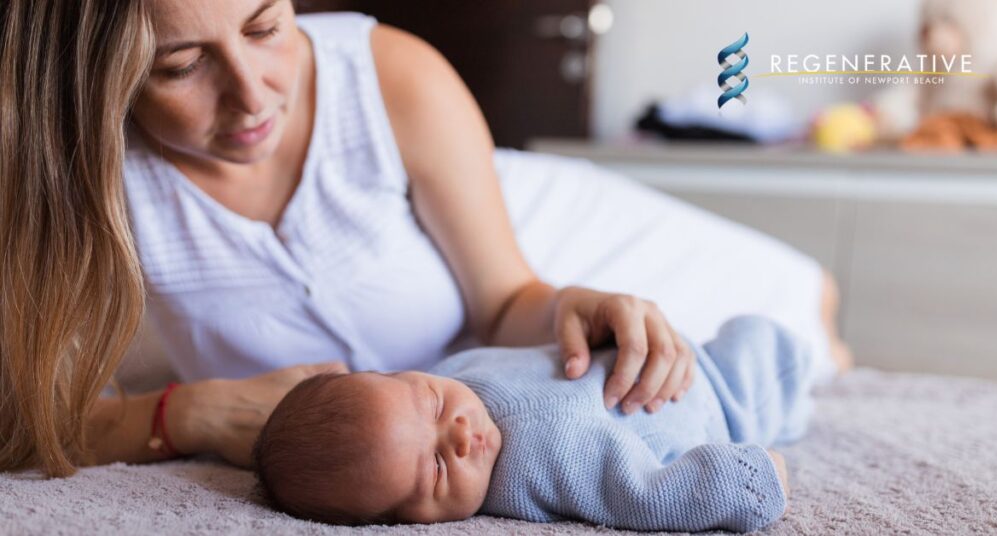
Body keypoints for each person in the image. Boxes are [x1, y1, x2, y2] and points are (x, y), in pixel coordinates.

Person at [0, 0, 850, 478]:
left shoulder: (392, 75)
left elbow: (504, 298)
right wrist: (189, 414)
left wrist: (571, 302)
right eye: (182, 67)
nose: (254, 97)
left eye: (265, 26)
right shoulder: (72, 178)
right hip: (434, 299)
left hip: (521, 217)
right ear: (98, 80)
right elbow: (27, 421)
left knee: (800, 313)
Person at [253, 315, 819, 532]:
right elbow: (647, 495)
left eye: (429, 404)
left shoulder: (452, 371)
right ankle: (812, 369)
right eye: (433, 469)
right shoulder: (543, 465)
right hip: (716, 400)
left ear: (399, 373)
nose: (457, 433)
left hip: (655, 360)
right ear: (403, 522)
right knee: (772, 349)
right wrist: (747, 481)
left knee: (750, 326)